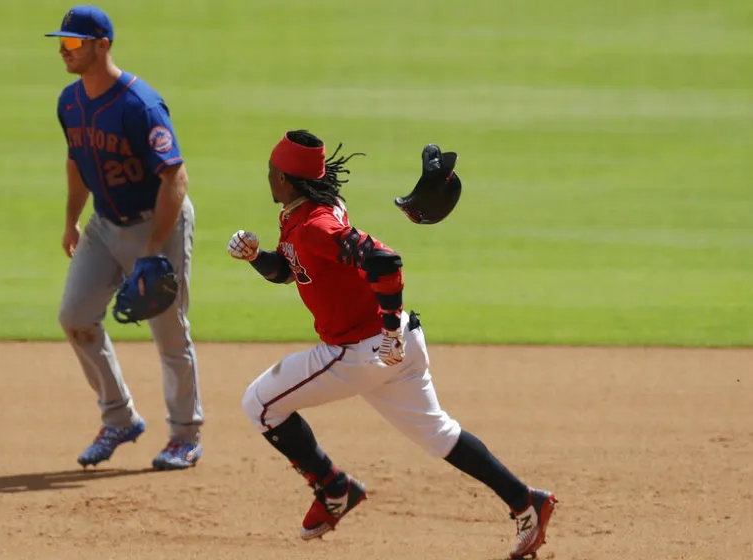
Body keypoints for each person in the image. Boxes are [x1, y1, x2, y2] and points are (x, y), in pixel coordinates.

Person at [227, 130, 557, 558]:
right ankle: (525, 501)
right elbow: (291, 272)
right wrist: (257, 258)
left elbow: (384, 261)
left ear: (287, 180)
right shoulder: (305, 214)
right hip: (393, 345)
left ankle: (333, 487)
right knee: (440, 435)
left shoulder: (315, 226)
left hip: (361, 351)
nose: (268, 176)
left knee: (260, 404)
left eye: (273, 170)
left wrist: (388, 333)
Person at [45, 5, 203, 471]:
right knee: (75, 317)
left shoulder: (140, 105)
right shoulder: (69, 102)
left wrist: (154, 248)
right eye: (62, 42)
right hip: (104, 223)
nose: (64, 50)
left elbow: (175, 178)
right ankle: (119, 417)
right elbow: (77, 162)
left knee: (169, 333)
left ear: (102, 45)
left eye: (73, 43)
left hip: (158, 224)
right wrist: (72, 220)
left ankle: (185, 436)